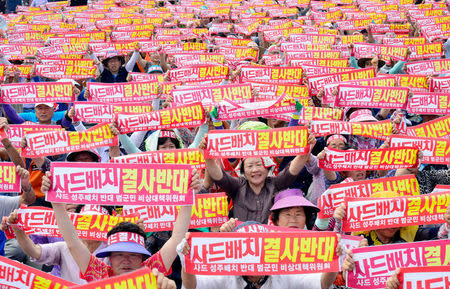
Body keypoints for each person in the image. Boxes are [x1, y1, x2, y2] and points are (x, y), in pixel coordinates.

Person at [41, 168, 201, 287]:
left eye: (133, 254)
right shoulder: (100, 273)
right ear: (110, 257)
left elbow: (176, 240)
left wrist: (189, 194)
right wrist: (55, 200)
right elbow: (73, 243)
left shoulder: (151, 270)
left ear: (142, 257)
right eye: (119, 254)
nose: (126, 260)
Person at [199, 127, 317, 224]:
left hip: (270, 243)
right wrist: (208, 154)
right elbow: (218, 175)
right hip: (243, 243)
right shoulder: (237, 186)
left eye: (259, 165)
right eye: (249, 166)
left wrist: (307, 147)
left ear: (267, 168)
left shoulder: (275, 184)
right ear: (243, 172)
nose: (255, 170)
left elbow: (293, 169)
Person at [178, 221, 342, 289]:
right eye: (247, 250)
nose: (253, 257)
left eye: (259, 249)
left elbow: (321, 283)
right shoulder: (226, 272)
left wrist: (333, 260)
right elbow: (193, 286)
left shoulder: (284, 270)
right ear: (235, 254)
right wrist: (188, 262)